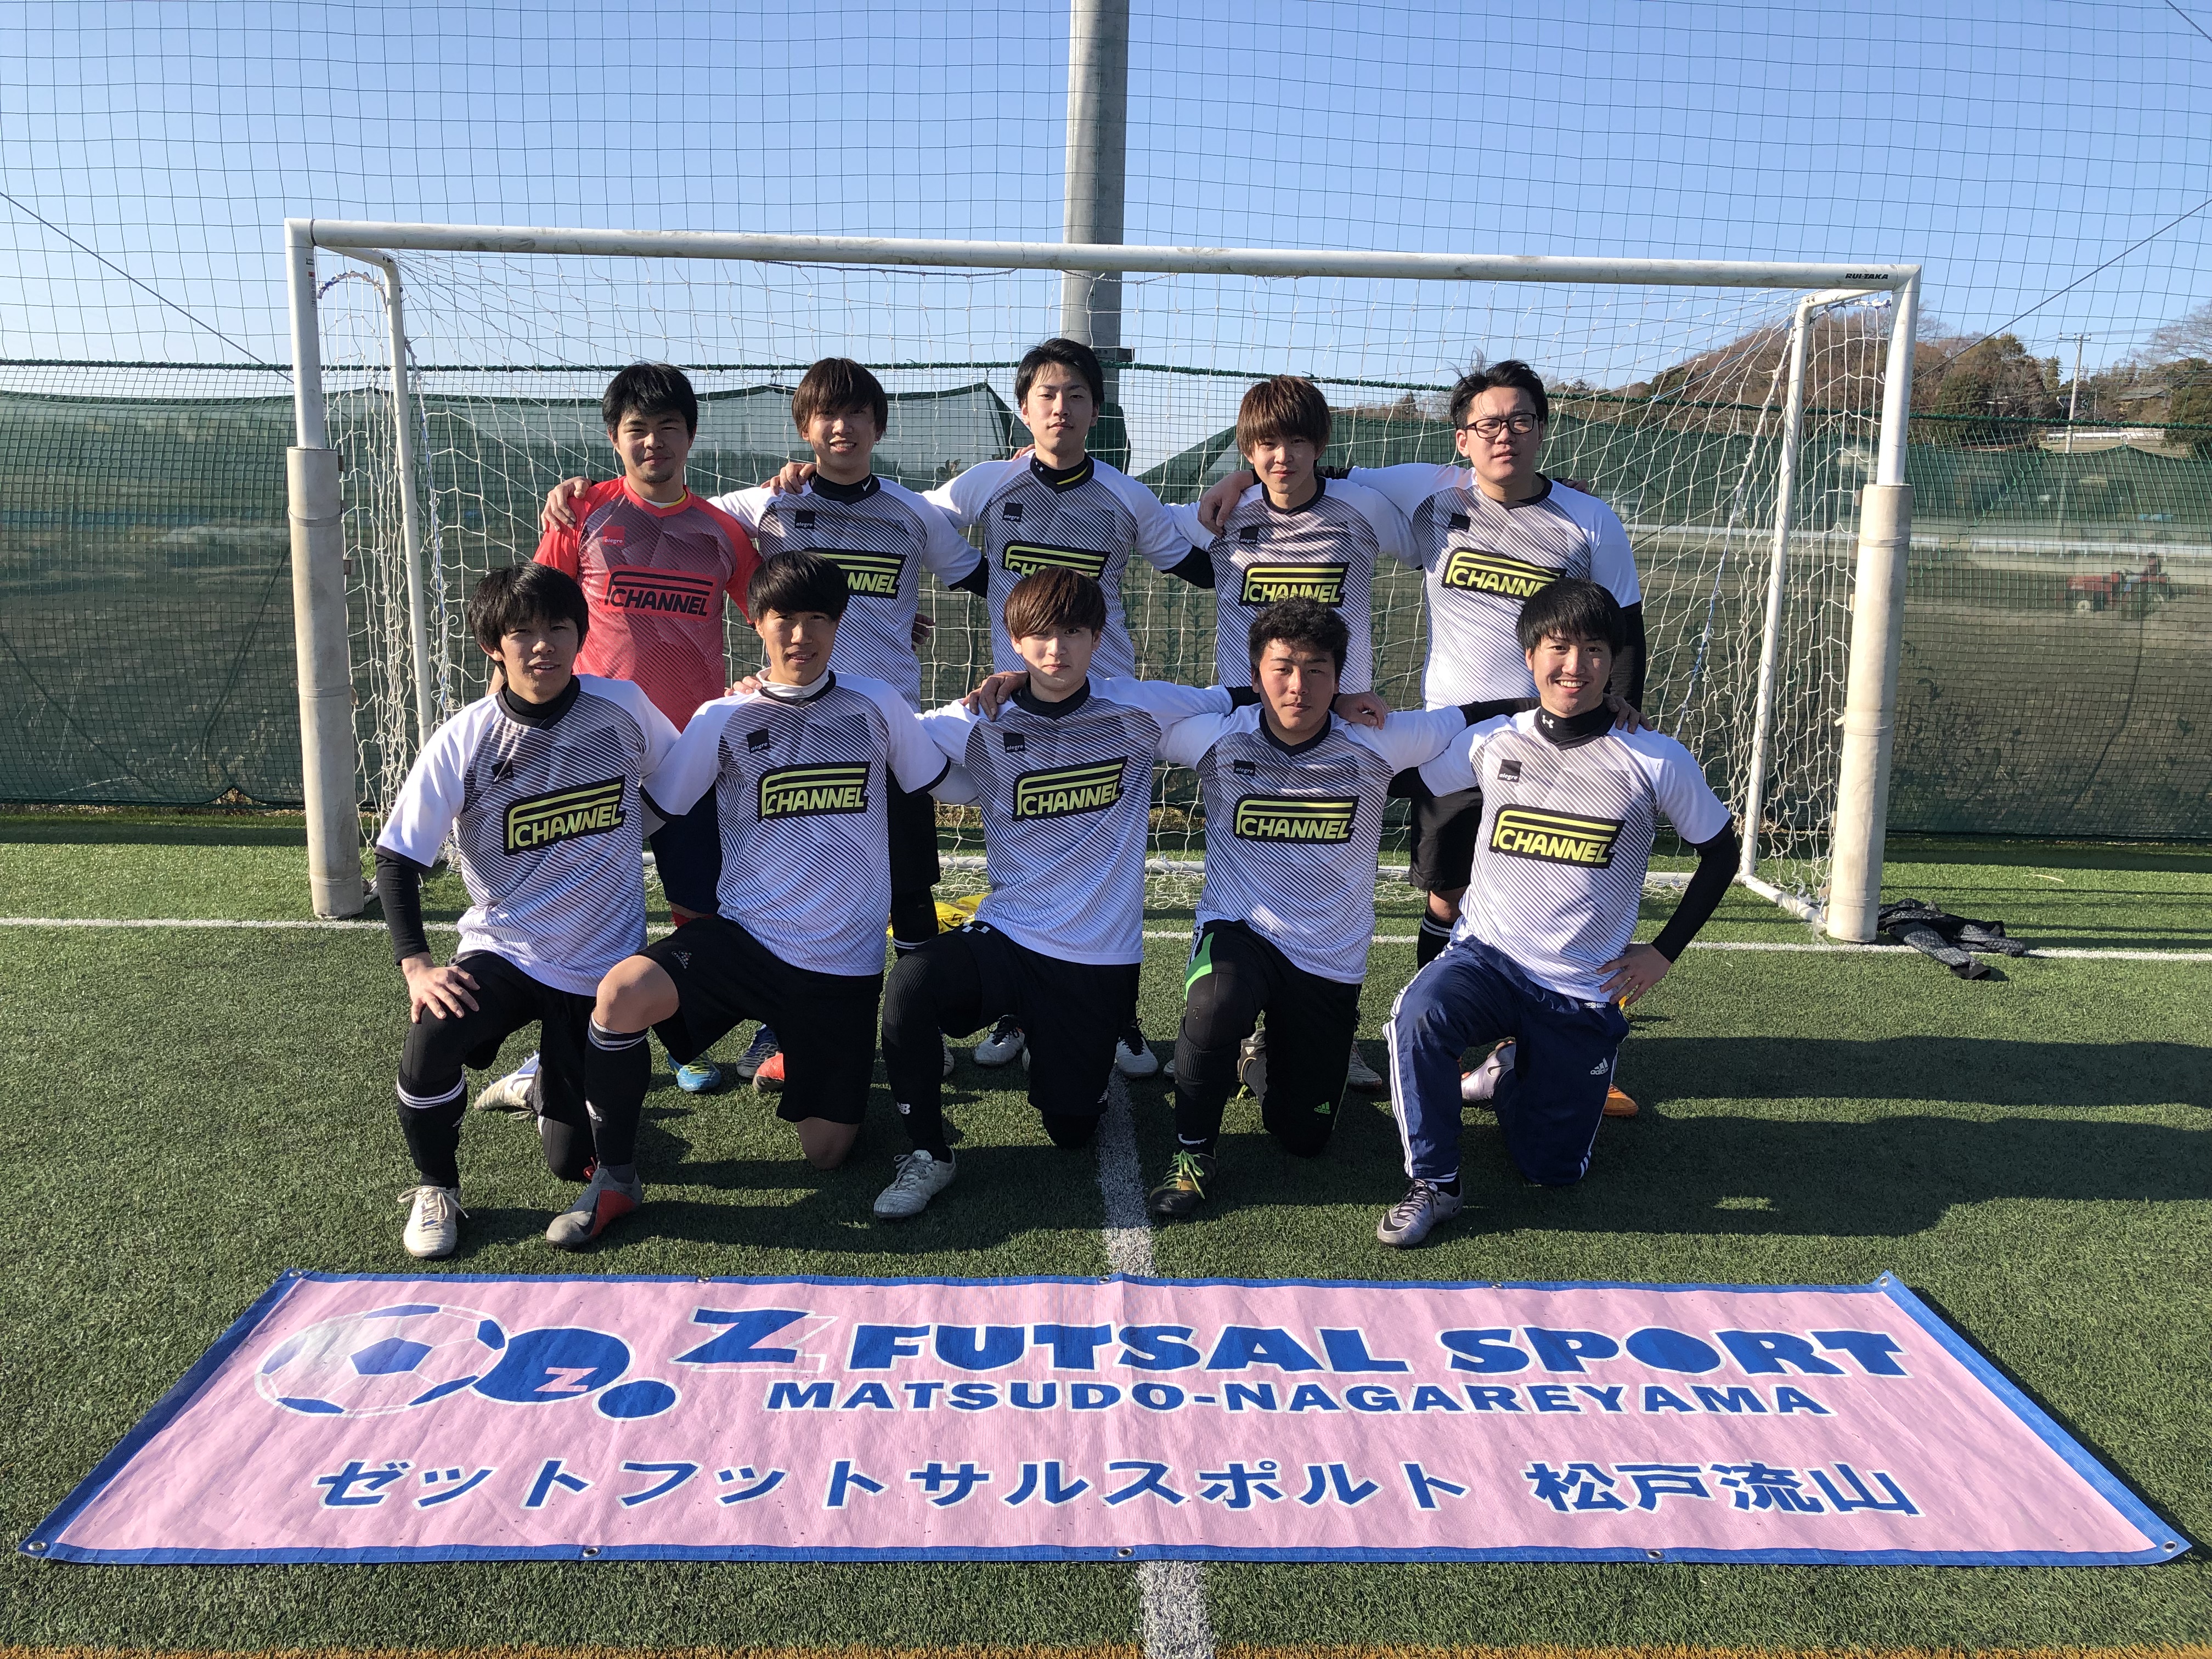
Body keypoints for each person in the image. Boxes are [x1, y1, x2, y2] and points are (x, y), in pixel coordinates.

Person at [543, 358, 981, 1087]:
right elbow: (649, 528)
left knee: (889, 888)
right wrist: (573, 494)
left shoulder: (899, 513)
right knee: (609, 892)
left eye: (857, 414)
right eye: (825, 415)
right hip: (683, 739)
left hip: (868, 728)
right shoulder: (755, 507)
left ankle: (903, 1028)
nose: (841, 428)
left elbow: (972, 575)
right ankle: (590, 1043)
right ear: (804, 428)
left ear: (879, 425)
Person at [1197, 360, 1644, 974]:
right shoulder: (1427, 490)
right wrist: (1242, 475)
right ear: (1462, 438)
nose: (1504, 436)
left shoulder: (1590, 518)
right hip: (1452, 733)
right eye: (1488, 425)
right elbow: (1316, 471)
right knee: (1448, 894)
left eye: (1520, 422)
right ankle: (1435, 1016)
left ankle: (1544, 1012)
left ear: (1542, 430)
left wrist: (1620, 711)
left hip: (1556, 734)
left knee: (1549, 887)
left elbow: (1625, 627)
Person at [578, 553, 964, 1243]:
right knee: (621, 993)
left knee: (827, 1153)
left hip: (840, 968)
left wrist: (1013, 706)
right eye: (785, 618)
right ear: (756, 622)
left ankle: (809, 1061)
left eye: (818, 618)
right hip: (744, 942)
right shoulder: (724, 715)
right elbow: (655, 811)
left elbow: (944, 781)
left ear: (839, 625)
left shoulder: (877, 704)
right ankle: (616, 1175)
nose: (801, 635)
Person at [1378, 580, 1737, 1248]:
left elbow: (1722, 853)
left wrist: (1663, 952)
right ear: (1530, 655)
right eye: (1558, 648)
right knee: (1416, 1015)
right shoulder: (1492, 741)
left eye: (1593, 650)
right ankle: (1435, 1183)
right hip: (1488, 958)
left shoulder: (1655, 758)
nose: (1575, 665)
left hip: (1581, 987)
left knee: (1552, 1171)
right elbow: (1405, 781)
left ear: (1612, 660)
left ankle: (1512, 1072)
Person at [1146, 600, 1531, 1221]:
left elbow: (1475, 715)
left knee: (1304, 1137)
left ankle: (1261, 1060)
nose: (1297, 686)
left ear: (1340, 678)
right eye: (1281, 669)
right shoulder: (1217, 737)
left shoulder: (1379, 740)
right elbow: (1123, 708)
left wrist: (1592, 707)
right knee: (1214, 1005)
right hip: (1240, 927)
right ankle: (1193, 1153)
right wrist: (1018, 685)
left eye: (1316, 671)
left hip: (1328, 954)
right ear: (1256, 674)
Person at [871, 568, 1232, 1220]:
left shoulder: (1138, 709)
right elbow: (878, 732)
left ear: (1097, 638)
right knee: (911, 984)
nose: (1056, 649)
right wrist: (763, 693)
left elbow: (1235, 697)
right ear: (1014, 641)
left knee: (1072, 1130)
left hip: (1097, 958)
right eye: (1039, 635)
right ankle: (928, 1151)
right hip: (1010, 935)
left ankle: (1056, 1044)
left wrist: (1346, 704)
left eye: (1072, 633)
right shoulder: (980, 717)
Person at [374, 563, 679, 1257]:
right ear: (494, 646)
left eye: (558, 628)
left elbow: (680, 782)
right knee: (432, 1035)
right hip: (506, 949)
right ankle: (436, 1186)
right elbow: (396, 859)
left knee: (571, 1162)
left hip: (602, 963)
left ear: (581, 635)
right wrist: (417, 966)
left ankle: (542, 1085)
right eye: (522, 633)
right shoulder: (466, 737)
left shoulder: (623, 707)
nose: (543, 646)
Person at [477, 363, 758, 1110]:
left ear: (690, 436)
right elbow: (529, 619)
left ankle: (687, 1038)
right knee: (579, 910)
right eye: (638, 428)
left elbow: (773, 614)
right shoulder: (582, 514)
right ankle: (554, 1051)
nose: (653, 441)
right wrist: (504, 712)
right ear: (614, 437)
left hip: (690, 753)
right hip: (592, 751)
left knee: (699, 902)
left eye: (668, 427)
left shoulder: (722, 531)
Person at [1161, 374, 1415, 1097]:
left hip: (1340, 719)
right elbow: (1134, 522)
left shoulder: (1362, 509)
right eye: (1266, 445)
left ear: (1320, 446)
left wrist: (1549, 490)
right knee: (1244, 865)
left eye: (1298, 442)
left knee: (1335, 867)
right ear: (1247, 450)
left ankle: (1315, 1028)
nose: (1283, 457)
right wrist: (1232, 480)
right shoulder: (1223, 515)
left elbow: (1445, 516)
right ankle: (1223, 1021)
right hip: (1247, 723)